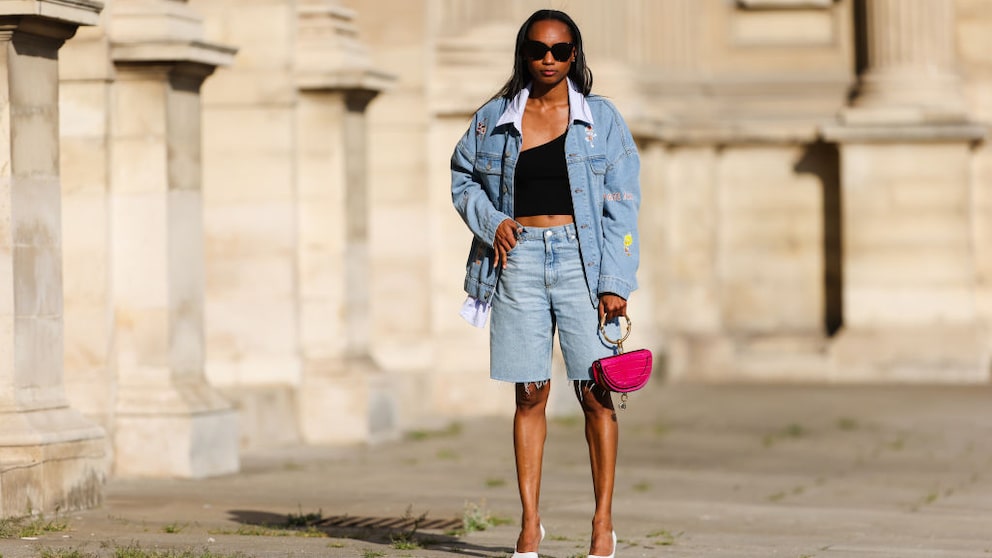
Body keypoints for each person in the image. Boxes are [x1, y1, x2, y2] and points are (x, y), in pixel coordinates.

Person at [450, 9, 640, 558]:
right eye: (538, 50)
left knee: (598, 396)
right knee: (530, 393)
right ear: (524, 53)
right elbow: (463, 177)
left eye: (560, 50)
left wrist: (616, 282)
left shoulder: (601, 120)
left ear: (575, 54)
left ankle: (602, 524)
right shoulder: (493, 118)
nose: (549, 60)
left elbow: (622, 207)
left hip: (585, 264)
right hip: (520, 263)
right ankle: (530, 526)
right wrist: (493, 223)